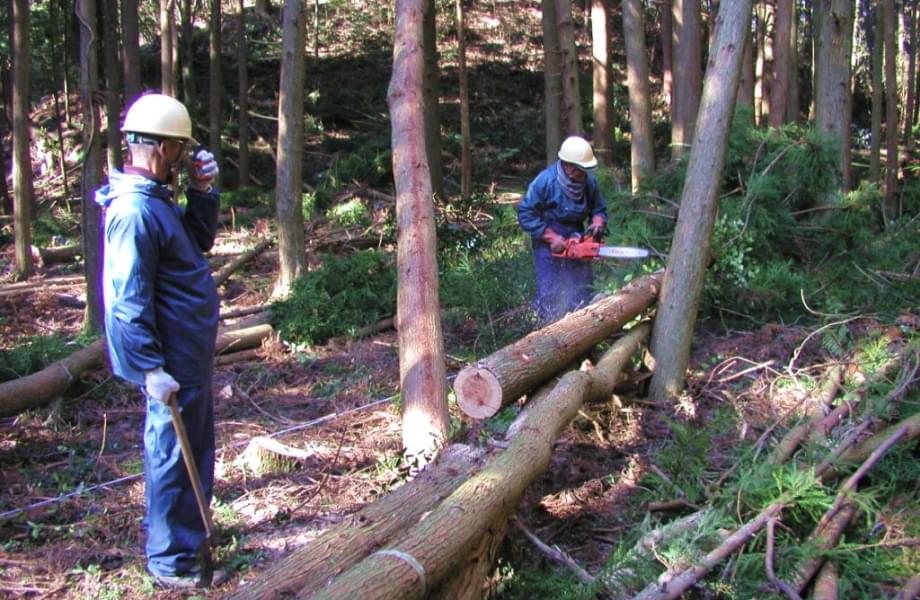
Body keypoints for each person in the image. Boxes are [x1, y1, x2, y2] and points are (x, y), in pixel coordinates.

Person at [95, 94, 224, 589]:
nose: (186, 158)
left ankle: (192, 538)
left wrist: (203, 190)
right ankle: (172, 560)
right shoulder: (133, 212)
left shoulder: (156, 201)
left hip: (188, 356)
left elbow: (198, 243)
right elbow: (125, 300)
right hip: (170, 360)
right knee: (172, 451)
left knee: (194, 445)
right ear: (162, 149)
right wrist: (149, 368)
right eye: (182, 151)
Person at [518, 136, 609, 324]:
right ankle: (548, 331)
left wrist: (598, 222)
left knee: (582, 290)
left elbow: (598, 208)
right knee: (550, 292)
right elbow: (526, 213)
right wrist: (551, 238)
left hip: (576, 235)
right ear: (568, 166)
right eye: (580, 170)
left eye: (585, 170)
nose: (584, 174)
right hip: (548, 240)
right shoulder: (545, 182)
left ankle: (582, 330)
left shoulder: (589, 184)